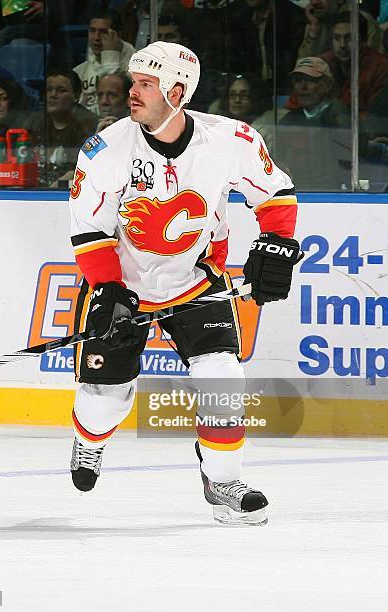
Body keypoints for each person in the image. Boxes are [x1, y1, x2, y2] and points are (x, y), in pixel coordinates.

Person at [68, 41, 301, 526]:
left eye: (145, 84)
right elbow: (89, 229)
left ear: (177, 92)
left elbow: (275, 193)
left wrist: (278, 242)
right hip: (122, 288)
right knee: (104, 402)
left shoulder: (231, 140)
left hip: (199, 283)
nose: (132, 92)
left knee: (222, 379)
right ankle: (89, 441)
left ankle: (222, 480)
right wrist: (110, 291)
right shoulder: (106, 149)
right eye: (134, 82)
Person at [277, 56, 350, 189]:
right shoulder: (287, 122)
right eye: (298, 81)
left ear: (327, 84)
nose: (303, 87)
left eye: (310, 81)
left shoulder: (343, 119)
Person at [24, 68, 97, 187]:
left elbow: (90, 166)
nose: (53, 95)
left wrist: (66, 180)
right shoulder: (34, 121)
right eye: (49, 90)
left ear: (76, 95)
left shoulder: (89, 123)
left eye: (61, 90)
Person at [73, 8, 136, 114]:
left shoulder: (137, 65)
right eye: (92, 31)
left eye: (103, 32)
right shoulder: (79, 71)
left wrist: (110, 56)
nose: (96, 37)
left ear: (118, 35)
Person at [297, 0, 382, 60]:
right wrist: (314, 31)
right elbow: (301, 71)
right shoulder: (315, 22)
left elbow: (374, 68)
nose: (314, 2)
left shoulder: (362, 21)